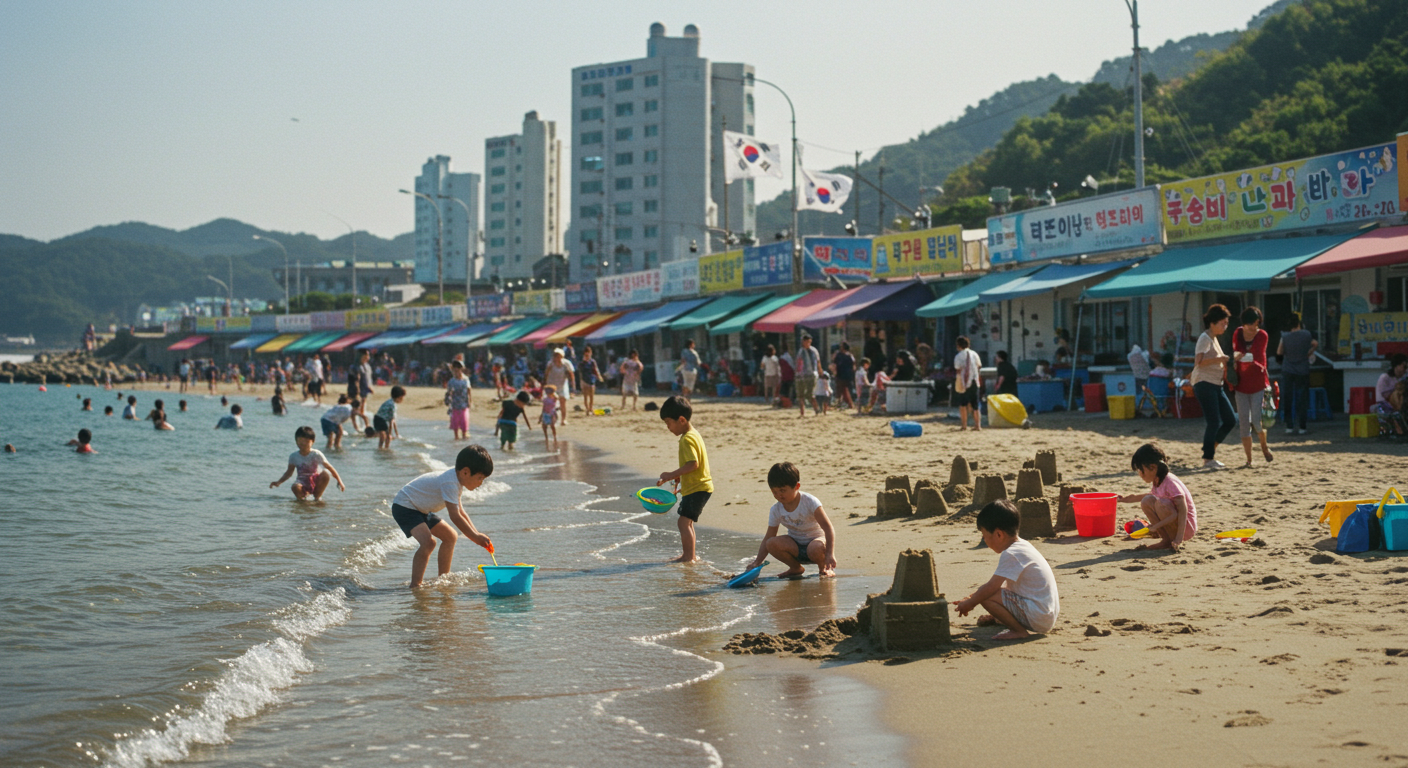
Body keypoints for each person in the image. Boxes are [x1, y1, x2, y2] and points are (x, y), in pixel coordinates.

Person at [953, 500, 1060, 640]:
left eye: (984, 536)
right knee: (988, 593)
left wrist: (970, 603)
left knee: (986, 596)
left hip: (1038, 615)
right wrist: (972, 597)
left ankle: (1018, 631)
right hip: (1045, 613)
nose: (985, 541)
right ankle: (1000, 618)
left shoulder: (1011, 554)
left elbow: (991, 588)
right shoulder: (1023, 545)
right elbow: (1005, 587)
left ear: (998, 534)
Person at [390, 445, 495, 588]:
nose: (481, 483)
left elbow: (461, 512)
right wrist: (475, 538)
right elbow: (455, 516)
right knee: (428, 543)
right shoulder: (450, 483)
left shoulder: (456, 481)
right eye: (480, 478)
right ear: (465, 472)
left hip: (421, 509)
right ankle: (415, 585)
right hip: (405, 507)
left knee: (450, 536)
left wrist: (476, 533)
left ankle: (443, 579)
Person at [744, 462, 837, 579]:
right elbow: (769, 536)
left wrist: (829, 554)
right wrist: (756, 562)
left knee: (815, 547)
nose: (779, 495)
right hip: (795, 547)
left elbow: (828, 528)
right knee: (771, 543)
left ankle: (824, 568)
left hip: (816, 545)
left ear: (797, 487)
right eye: (774, 492)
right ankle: (795, 568)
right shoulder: (776, 509)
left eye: (782, 490)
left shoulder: (810, 502)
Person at [656, 396, 712, 563]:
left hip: (698, 487)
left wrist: (670, 474)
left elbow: (693, 464)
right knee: (687, 523)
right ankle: (691, 555)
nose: (668, 427)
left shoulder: (687, 439)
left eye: (668, 423)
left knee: (683, 523)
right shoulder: (694, 434)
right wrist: (680, 477)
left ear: (681, 420)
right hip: (699, 486)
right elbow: (695, 465)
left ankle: (688, 557)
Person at [1119, 442, 1197, 552]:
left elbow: (1182, 510)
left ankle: (1171, 540)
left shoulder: (1169, 482)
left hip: (1184, 528)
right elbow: (1148, 496)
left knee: (1162, 503)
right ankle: (1166, 540)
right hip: (1173, 520)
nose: (1140, 474)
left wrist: (1178, 538)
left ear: (1153, 467)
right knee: (1147, 500)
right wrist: (1123, 499)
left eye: (1141, 470)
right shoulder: (1157, 480)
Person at [1193, 304, 1236, 469]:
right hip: (1204, 383)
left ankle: (1209, 449)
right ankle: (1208, 459)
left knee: (1230, 420)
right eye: (1223, 323)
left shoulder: (1213, 338)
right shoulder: (1205, 338)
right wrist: (1220, 359)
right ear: (1212, 322)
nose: (1225, 326)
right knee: (1214, 421)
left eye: (1226, 323)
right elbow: (1199, 362)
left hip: (1216, 384)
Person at [1231, 307, 1273, 466]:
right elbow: (1236, 351)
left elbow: (1256, 354)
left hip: (1258, 383)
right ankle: (1249, 459)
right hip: (1240, 383)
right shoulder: (1237, 333)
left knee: (1256, 420)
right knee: (1243, 423)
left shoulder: (1262, 335)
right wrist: (1238, 356)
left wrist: (1242, 356)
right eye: (1250, 324)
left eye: (1256, 324)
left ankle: (1264, 447)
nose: (1253, 327)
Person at [270, 425, 345, 502]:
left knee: (326, 473)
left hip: (316, 480)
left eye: (306, 441)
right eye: (300, 441)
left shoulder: (316, 454)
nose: (303, 444)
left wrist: (340, 481)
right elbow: (289, 472)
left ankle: (317, 498)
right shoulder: (294, 456)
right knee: (295, 487)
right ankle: (304, 502)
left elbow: (330, 467)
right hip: (302, 481)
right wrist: (279, 482)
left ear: (313, 441)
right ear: (296, 441)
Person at [1276, 311, 1317, 435]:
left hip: (1288, 369)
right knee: (1302, 399)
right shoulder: (1306, 334)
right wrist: (1309, 352)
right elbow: (1315, 344)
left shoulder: (1285, 336)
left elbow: (1279, 352)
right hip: (1303, 369)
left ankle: (1289, 426)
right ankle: (1302, 427)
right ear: (1299, 323)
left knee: (1288, 398)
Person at [953, 336, 982, 431]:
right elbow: (979, 366)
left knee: (963, 404)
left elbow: (957, 369)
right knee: (975, 404)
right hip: (974, 380)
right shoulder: (974, 354)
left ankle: (964, 425)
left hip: (964, 381)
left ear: (958, 345)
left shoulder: (959, 356)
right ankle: (977, 425)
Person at [793, 334, 822, 417]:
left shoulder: (813, 351)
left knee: (809, 394)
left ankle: (816, 409)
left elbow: (818, 362)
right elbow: (798, 363)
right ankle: (802, 413)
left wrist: (820, 371)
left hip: (811, 374)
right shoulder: (800, 351)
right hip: (801, 375)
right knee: (800, 394)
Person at [544, 349, 574, 425]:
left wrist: (573, 387)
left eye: (558, 356)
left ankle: (563, 419)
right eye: (555, 355)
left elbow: (571, 375)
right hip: (552, 385)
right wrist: (545, 385)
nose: (557, 357)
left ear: (562, 356)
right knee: (552, 403)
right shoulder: (550, 363)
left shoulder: (566, 363)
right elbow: (546, 374)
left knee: (563, 402)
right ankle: (552, 419)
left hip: (563, 384)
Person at [446, 360, 471, 441]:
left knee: (464, 422)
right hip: (455, 404)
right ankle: (456, 438)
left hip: (464, 403)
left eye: (458, 368)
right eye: (455, 368)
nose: (457, 370)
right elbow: (448, 392)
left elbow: (469, 390)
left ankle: (464, 435)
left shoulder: (465, 380)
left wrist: (470, 401)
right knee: (455, 423)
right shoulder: (451, 381)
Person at [832, 341, 856, 409]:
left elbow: (834, 363)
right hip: (844, 374)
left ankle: (842, 402)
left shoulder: (842, 355)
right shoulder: (849, 355)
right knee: (843, 389)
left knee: (841, 389)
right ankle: (848, 403)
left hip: (843, 374)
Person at [579, 346, 600, 415]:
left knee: (591, 396)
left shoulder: (592, 361)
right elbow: (580, 371)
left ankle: (591, 408)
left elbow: (595, 369)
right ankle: (587, 409)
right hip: (584, 380)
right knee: (585, 396)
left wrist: (598, 376)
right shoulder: (582, 362)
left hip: (591, 379)